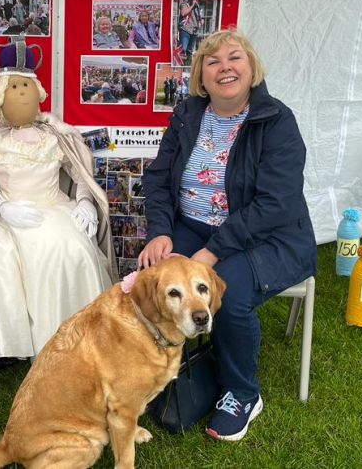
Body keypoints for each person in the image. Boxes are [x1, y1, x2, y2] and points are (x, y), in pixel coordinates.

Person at [138, 30, 316, 442]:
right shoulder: (187, 114)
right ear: (201, 74)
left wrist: (211, 252)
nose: (225, 67)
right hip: (195, 226)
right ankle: (160, 370)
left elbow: (277, 203)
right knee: (148, 279)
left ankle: (242, 391)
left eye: (234, 57)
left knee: (226, 294)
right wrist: (162, 231)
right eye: (212, 61)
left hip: (270, 236)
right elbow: (160, 178)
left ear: (251, 67)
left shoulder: (276, 121)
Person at [0, 36, 117, 358]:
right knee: (37, 254)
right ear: (0, 95)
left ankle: (87, 332)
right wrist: (1, 207)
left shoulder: (55, 134)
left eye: (26, 87)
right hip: (13, 212)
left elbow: (80, 173)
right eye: (14, 87)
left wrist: (85, 201)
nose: (21, 94)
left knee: (76, 248)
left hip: (56, 204)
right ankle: (41, 340)